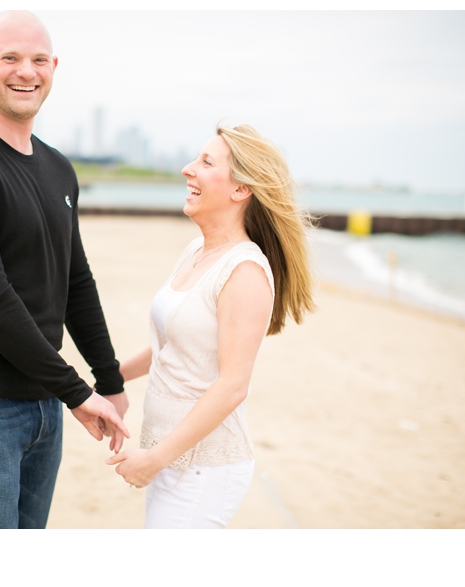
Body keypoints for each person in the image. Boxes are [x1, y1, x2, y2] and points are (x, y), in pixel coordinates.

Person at [0, 10, 129, 529]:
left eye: (38, 60)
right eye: (9, 58)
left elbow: (75, 279)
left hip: (41, 400)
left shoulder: (57, 166)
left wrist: (109, 377)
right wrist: (78, 392)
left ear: (54, 67)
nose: (25, 72)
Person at [106, 123, 314, 528]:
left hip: (202, 469)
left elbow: (233, 386)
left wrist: (153, 460)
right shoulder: (197, 251)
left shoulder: (245, 271)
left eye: (205, 162)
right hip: (171, 456)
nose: (188, 169)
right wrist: (108, 380)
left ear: (241, 190)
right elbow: (173, 343)